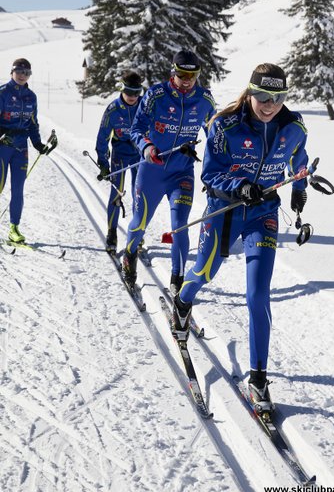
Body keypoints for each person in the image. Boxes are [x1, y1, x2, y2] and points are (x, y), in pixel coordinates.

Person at [171, 63, 309, 412]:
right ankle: (183, 302)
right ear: (249, 93)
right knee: (204, 272)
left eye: (277, 97)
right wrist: (240, 186)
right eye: (262, 95)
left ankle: (259, 378)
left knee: (257, 294)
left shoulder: (293, 127)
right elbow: (210, 172)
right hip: (224, 211)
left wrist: (300, 186)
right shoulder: (224, 124)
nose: (269, 104)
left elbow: (300, 158)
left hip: (262, 216)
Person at [122, 49, 216, 293]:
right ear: (173, 72)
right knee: (140, 222)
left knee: (180, 226)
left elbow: (216, 137)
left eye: (192, 75)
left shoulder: (205, 99)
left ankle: (177, 279)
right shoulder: (156, 94)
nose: (187, 80)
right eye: (182, 74)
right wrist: (147, 147)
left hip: (181, 172)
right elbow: (136, 129)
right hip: (152, 170)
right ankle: (130, 254)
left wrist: (217, 169)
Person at [0, 58, 56, 243]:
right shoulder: (3, 93)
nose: (23, 76)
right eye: (20, 71)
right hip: (3, 146)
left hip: (21, 148)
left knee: (18, 189)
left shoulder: (31, 97)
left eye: (27, 73)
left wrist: (38, 143)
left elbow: (33, 123)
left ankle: (14, 229)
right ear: (12, 72)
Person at [95, 71, 144, 251]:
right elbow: (102, 137)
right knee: (117, 194)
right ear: (122, 89)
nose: (132, 96)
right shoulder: (113, 110)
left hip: (140, 155)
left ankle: (138, 235)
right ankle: (112, 233)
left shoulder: (144, 107)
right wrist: (102, 162)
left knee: (140, 195)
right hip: (120, 154)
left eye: (136, 92)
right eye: (129, 92)